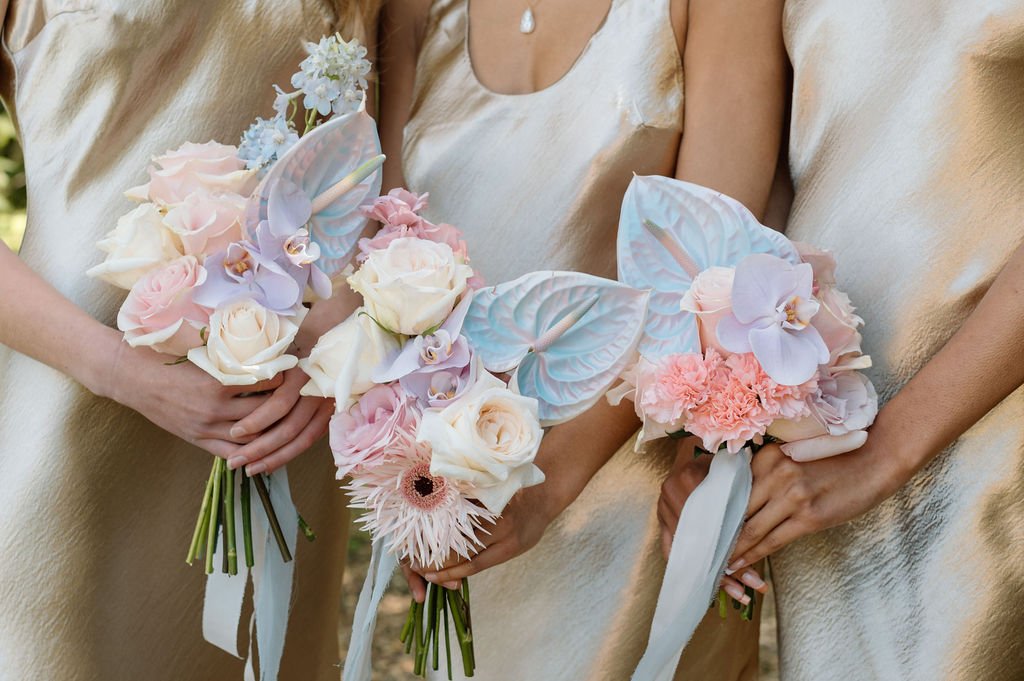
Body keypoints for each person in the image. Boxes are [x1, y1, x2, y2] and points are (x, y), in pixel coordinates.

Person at [376, 0, 786, 678]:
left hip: (631, 500)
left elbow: (707, 275)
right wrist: (410, 472)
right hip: (463, 494)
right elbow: (388, 238)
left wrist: (544, 487)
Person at [0, 1, 377, 679]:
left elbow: (390, 160)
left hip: (275, 416)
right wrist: (122, 370)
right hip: (71, 413)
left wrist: (337, 327)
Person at [659, 1, 1024, 679]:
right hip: (819, 436)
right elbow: (773, 172)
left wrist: (886, 451)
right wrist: (723, 422)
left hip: (997, 433)